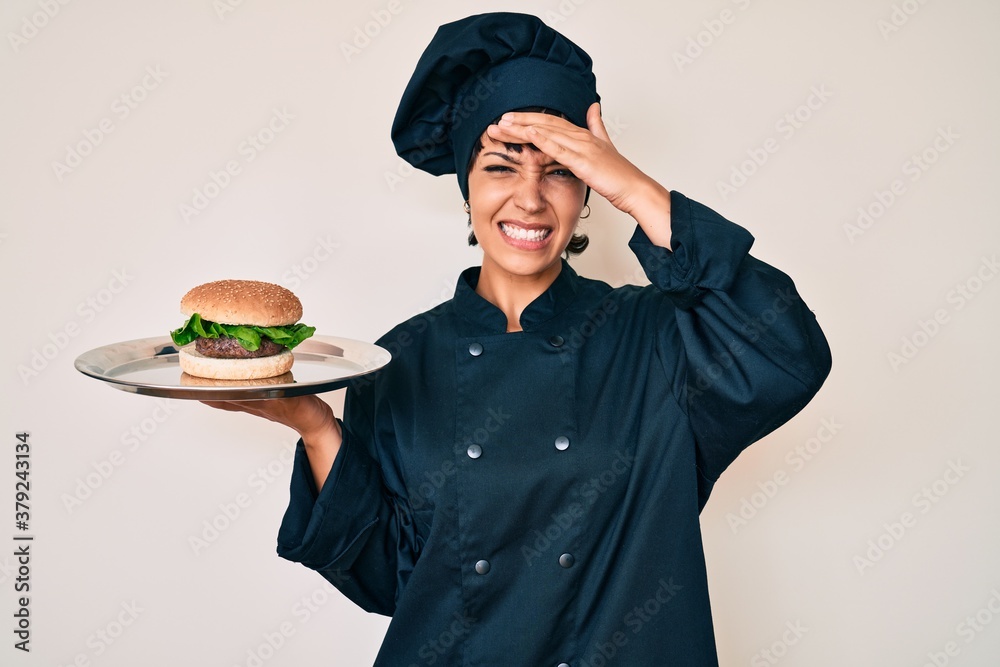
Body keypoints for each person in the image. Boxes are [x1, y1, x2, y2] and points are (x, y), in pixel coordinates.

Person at [205, 12, 832, 666]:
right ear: (466, 187)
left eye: (560, 170)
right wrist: (314, 425)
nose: (530, 199)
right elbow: (394, 577)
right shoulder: (401, 359)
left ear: (588, 188)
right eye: (501, 167)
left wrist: (636, 187)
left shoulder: (657, 338)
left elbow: (789, 352)